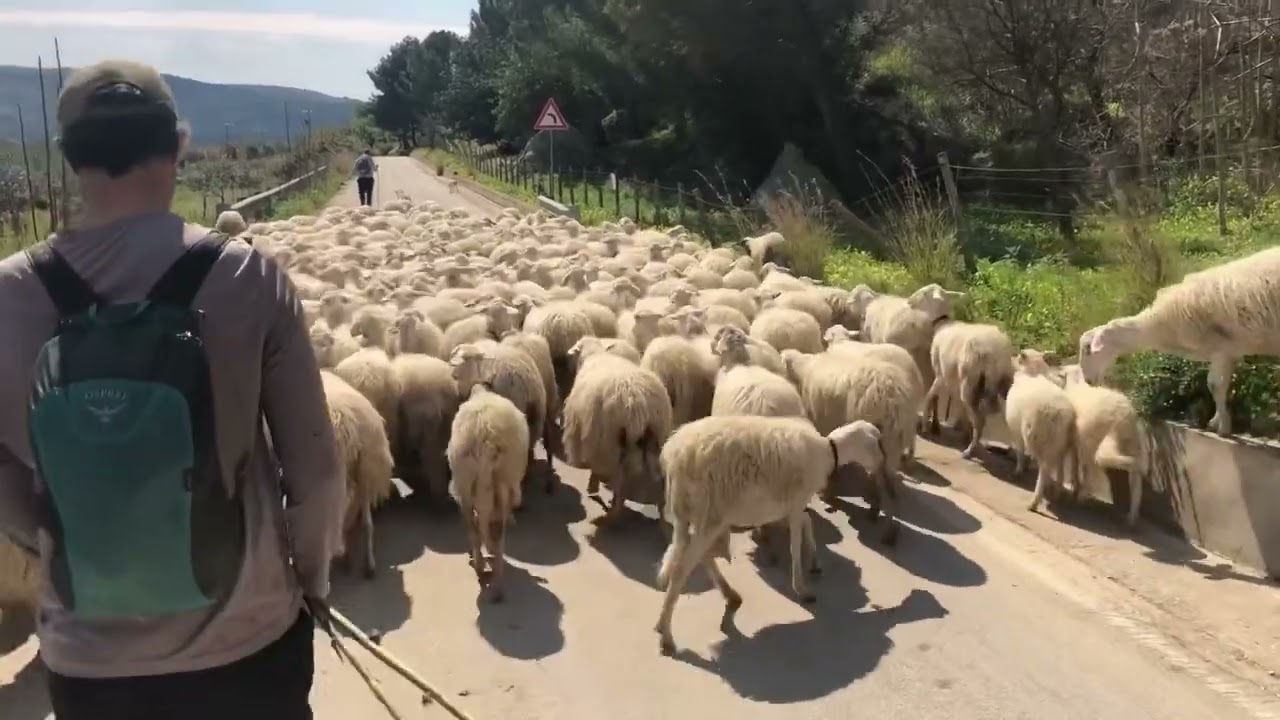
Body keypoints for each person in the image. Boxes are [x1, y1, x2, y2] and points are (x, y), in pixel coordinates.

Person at [0, 60, 345, 719]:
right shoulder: (251, 279)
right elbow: (319, 473)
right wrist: (312, 581)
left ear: (69, 156)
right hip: (248, 643)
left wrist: (52, 546)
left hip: (90, 662)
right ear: (179, 144)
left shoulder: (6, 295)